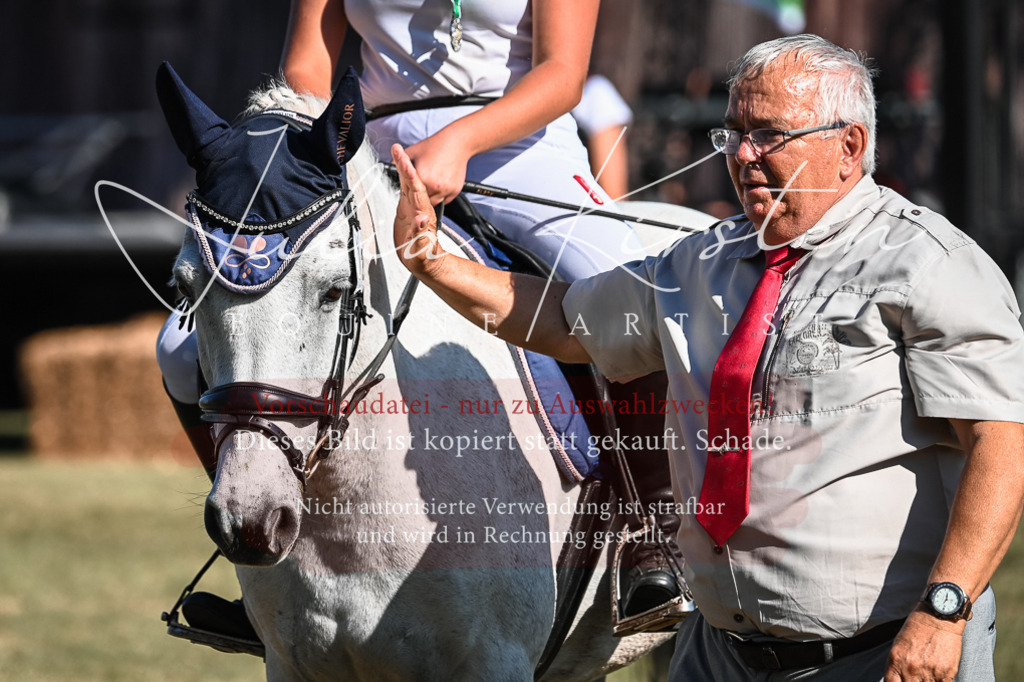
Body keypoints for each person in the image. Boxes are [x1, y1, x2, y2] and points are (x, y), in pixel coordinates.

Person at [391, 33, 1024, 681]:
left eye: (769, 134)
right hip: (716, 655)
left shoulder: (928, 264)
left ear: (849, 146)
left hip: (884, 657)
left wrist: (944, 612)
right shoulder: (701, 262)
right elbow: (566, 321)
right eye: (733, 134)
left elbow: (999, 446)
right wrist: (431, 259)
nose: (744, 155)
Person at [158, 0, 682, 637]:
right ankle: (261, 556)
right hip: (366, 153)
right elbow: (307, 68)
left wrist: (458, 142)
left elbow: (561, 74)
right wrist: (299, 160)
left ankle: (651, 533)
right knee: (179, 349)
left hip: (517, 147)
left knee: (631, 294)